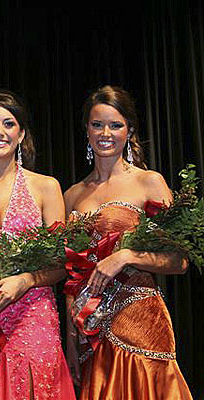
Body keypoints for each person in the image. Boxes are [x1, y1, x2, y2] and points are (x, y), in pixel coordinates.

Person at [64, 85, 192, 399]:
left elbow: (180, 260)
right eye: (97, 124)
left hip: (140, 324)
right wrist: (70, 339)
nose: (105, 133)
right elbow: (72, 275)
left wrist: (125, 256)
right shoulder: (72, 195)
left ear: (129, 130)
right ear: (87, 131)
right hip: (91, 332)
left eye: (115, 125)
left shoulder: (148, 182)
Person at [0, 90, 75, 399]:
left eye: (8, 124)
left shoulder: (46, 187)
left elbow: (62, 262)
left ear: (21, 134)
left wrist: (26, 280)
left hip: (33, 318)